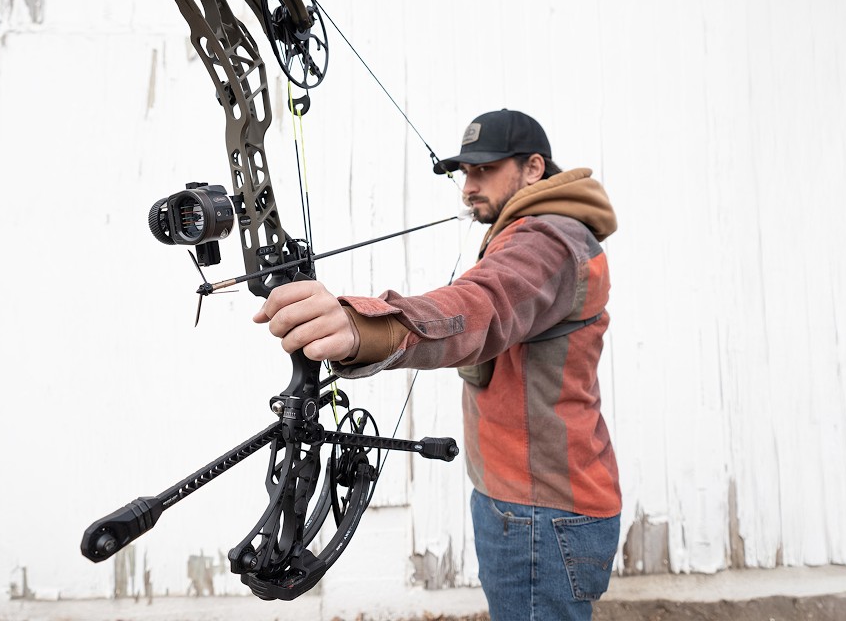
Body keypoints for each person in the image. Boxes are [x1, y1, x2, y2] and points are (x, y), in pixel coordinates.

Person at [253, 109, 621, 620]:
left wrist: (366, 328)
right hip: (527, 499)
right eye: (465, 173)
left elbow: (482, 305)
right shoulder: (540, 231)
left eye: (484, 170)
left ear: (533, 168)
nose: (468, 187)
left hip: (541, 512)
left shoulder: (546, 241)